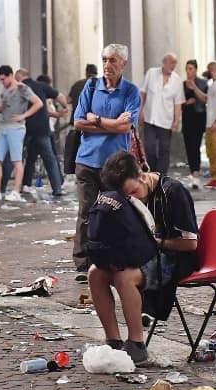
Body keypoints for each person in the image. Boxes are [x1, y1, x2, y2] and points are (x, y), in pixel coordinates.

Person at [88, 150, 198, 364]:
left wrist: (157, 242)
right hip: (136, 254)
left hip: (172, 257)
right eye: (127, 196)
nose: (133, 198)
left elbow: (191, 243)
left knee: (124, 277)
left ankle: (137, 343)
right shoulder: (124, 198)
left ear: (141, 175)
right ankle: (113, 341)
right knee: (95, 273)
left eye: (134, 191)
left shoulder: (173, 192)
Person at [72, 43, 141, 276]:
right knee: (87, 212)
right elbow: (79, 122)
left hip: (116, 165)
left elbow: (126, 127)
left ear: (124, 63)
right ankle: (83, 263)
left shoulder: (131, 91)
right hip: (87, 160)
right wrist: (112, 125)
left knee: (115, 213)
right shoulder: (90, 87)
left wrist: (97, 120)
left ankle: (112, 259)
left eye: (112, 60)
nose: (107, 65)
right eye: (104, 60)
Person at [0, 65, 42, 203]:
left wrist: (23, 115)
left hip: (16, 128)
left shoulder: (22, 88)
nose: (2, 82)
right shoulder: (5, 90)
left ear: (10, 75)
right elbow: (2, 107)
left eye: (3, 79)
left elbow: (38, 103)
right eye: (0, 80)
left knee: (16, 160)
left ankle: (16, 191)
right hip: (4, 126)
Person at [15, 67, 67, 197]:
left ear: (19, 77)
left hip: (24, 127)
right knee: (49, 159)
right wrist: (64, 108)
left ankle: (16, 186)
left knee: (18, 158)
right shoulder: (41, 86)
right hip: (42, 128)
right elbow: (60, 96)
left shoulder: (19, 88)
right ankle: (57, 188)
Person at [187, 61, 216, 189]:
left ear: (213, 70)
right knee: (212, 152)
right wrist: (194, 88)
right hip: (210, 123)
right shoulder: (213, 85)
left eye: (209, 69)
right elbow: (207, 99)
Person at [139, 53, 184, 175]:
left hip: (166, 120)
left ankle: (161, 175)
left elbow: (178, 103)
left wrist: (176, 121)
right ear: (164, 63)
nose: (173, 65)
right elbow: (143, 93)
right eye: (171, 62)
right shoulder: (151, 73)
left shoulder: (177, 80)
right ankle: (153, 172)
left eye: (175, 63)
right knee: (149, 147)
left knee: (164, 149)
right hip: (150, 118)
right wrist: (140, 111)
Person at [181, 59, 208, 190]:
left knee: (196, 145)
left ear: (196, 70)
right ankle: (193, 172)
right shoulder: (182, 84)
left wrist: (194, 88)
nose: (188, 71)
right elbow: (178, 101)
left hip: (198, 117)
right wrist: (185, 103)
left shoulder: (202, 83)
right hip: (186, 117)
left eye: (191, 69)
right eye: (187, 69)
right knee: (188, 146)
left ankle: (196, 172)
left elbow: (205, 99)